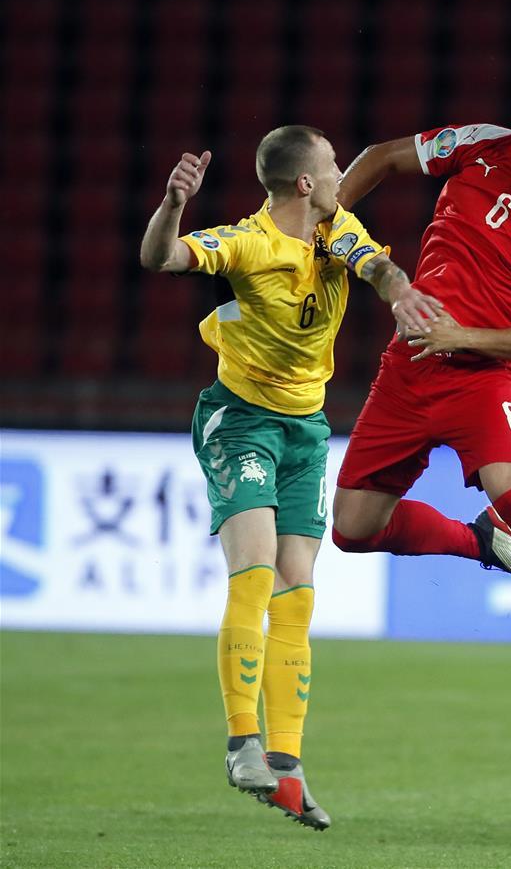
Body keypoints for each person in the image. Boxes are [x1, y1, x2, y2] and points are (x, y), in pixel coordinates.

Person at [140, 125, 440, 830]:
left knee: (297, 592)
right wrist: (171, 206)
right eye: (333, 165)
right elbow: (161, 257)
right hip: (241, 421)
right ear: (304, 182)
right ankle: (241, 741)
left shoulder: (336, 228)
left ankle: (285, 764)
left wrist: (402, 294)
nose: (342, 174)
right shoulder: (245, 243)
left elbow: (375, 267)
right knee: (253, 571)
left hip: (305, 431)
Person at [331, 81, 511, 708]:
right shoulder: (478, 147)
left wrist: (462, 334)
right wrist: (322, 221)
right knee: (351, 531)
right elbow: (381, 156)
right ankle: (480, 542)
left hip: (483, 379)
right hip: (407, 369)